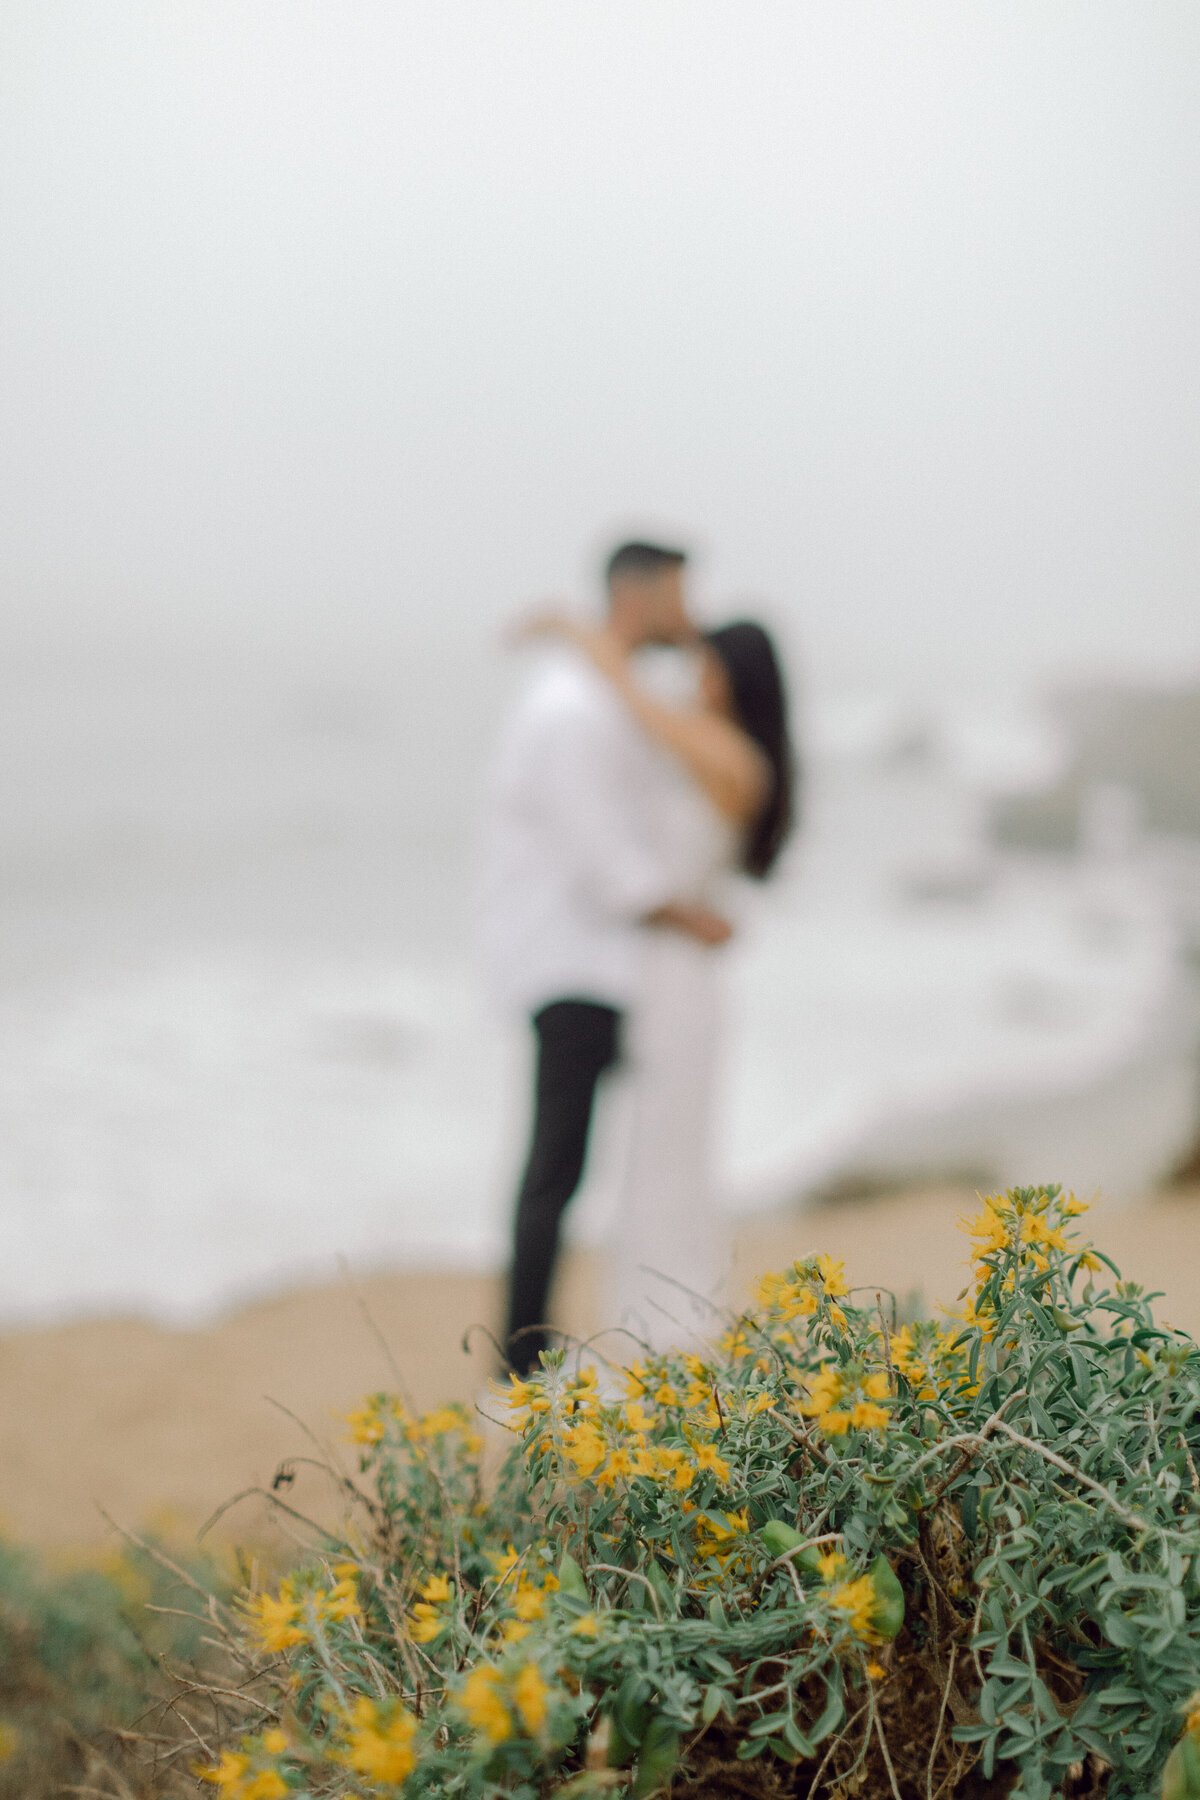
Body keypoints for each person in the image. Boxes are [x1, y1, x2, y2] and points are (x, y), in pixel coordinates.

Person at [482, 541, 733, 1376]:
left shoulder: (595, 697)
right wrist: (684, 914)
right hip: (571, 959)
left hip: (594, 958)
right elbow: (597, 849)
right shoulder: (571, 709)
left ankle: (535, 1344)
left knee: (571, 1159)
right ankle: (522, 1355)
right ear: (641, 592)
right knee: (558, 1160)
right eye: (679, 595)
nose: (689, 615)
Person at [525, 613, 794, 1352]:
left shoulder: (732, 753)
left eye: (706, 667)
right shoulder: (706, 749)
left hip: (682, 979)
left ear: (735, 678)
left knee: (671, 1159)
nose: (694, 682)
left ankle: (670, 1331)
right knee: (650, 1156)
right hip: (659, 968)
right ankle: (646, 1327)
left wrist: (588, 643)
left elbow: (638, 709)